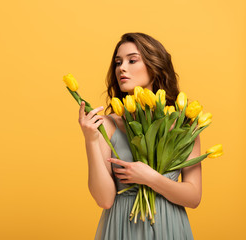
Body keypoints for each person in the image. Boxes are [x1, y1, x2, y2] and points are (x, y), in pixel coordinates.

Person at [78, 32, 201, 240]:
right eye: (118, 62)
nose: (121, 68)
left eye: (132, 60)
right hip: (122, 228)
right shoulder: (108, 125)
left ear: (155, 67)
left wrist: (150, 178)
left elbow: (193, 197)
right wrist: (90, 139)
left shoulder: (183, 123)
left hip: (169, 227)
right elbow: (105, 200)